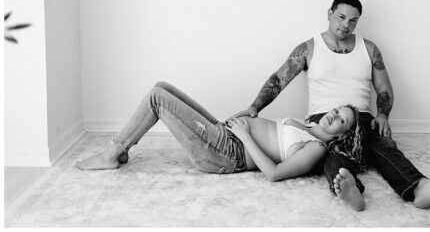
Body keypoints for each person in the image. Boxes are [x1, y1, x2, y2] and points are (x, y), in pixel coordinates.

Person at [227, 0, 430, 211]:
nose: (346, 25)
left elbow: (383, 88)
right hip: (324, 120)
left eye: (353, 20)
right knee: (332, 156)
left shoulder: (369, 48)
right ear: (329, 14)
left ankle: (420, 188)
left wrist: (383, 115)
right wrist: (255, 108)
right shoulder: (309, 48)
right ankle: (351, 190)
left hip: (361, 118)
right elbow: (279, 79)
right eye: (341, 17)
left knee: (383, 146)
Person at [75, 81, 359, 184]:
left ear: (342, 135)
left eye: (342, 121)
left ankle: (112, 153)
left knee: (156, 98)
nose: (334, 116)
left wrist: (246, 136)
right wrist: (247, 118)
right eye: (337, 110)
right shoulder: (308, 125)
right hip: (225, 133)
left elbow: (273, 174)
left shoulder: (316, 149)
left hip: (225, 153)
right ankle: (123, 150)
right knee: (163, 86)